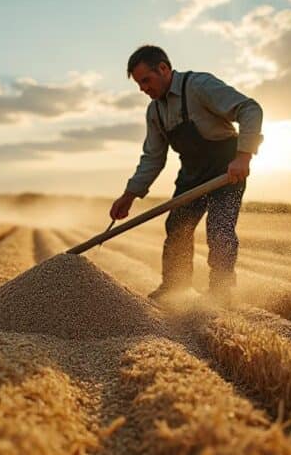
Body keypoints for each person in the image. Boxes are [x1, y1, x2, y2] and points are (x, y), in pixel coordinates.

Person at [109, 45, 263, 308]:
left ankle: (221, 292)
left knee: (220, 230)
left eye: (146, 80)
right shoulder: (154, 112)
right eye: (138, 84)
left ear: (164, 68)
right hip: (192, 173)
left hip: (227, 170)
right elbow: (153, 158)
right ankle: (174, 287)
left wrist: (243, 157)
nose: (143, 89)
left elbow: (250, 109)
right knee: (176, 227)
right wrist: (129, 195)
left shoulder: (198, 85)